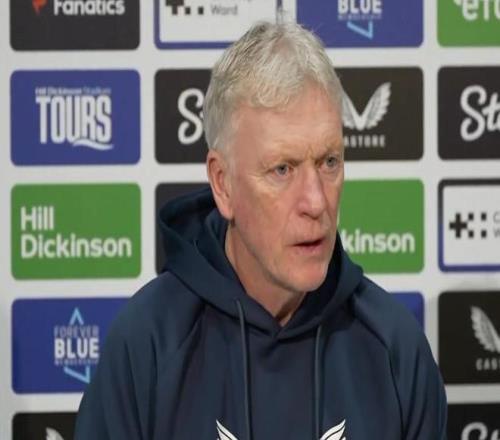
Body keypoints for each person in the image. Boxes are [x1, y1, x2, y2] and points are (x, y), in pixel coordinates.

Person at [75, 21, 447, 439]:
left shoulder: (396, 349)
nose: (316, 202)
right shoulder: (146, 347)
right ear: (223, 184)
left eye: (329, 162)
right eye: (282, 169)